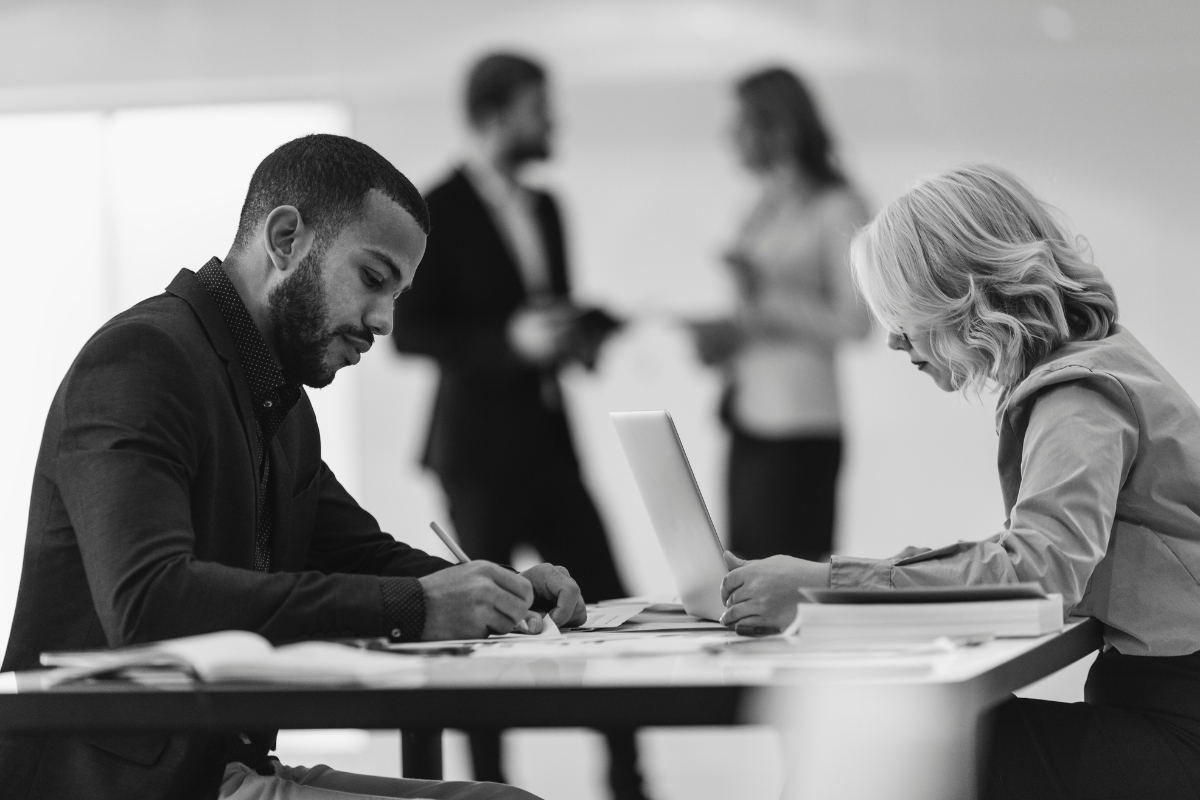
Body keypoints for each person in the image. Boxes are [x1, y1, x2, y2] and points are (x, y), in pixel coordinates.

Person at [0, 133, 588, 800]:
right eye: (373, 278)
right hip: (124, 785)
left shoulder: (277, 399)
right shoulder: (142, 360)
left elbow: (359, 556)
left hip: (217, 767)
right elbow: (148, 603)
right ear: (285, 239)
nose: (386, 321)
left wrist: (499, 589)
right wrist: (417, 607)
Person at [719, 164, 1200, 798]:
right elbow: (1040, 564)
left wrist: (824, 588)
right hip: (1167, 709)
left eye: (902, 311)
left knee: (884, 737)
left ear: (964, 292)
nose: (894, 341)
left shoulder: (1080, 395)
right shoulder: (1100, 366)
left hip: (1179, 733)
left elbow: (1038, 572)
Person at [390, 53, 646, 800]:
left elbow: (548, 312)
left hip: (549, 445)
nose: (551, 122)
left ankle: (629, 786)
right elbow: (411, 334)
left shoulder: (548, 208)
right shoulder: (432, 210)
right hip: (476, 454)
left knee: (608, 608)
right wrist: (510, 341)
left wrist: (578, 335)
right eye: (539, 107)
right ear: (496, 114)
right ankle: (490, 790)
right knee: (479, 624)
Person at [688, 67, 870, 563]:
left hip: (801, 426)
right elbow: (755, 314)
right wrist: (725, 338)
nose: (730, 137)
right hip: (748, 417)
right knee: (740, 572)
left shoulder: (837, 206)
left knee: (789, 578)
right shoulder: (757, 209)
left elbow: (856, 322)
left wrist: (767, 308)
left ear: (779, 128)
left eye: (741, 123)